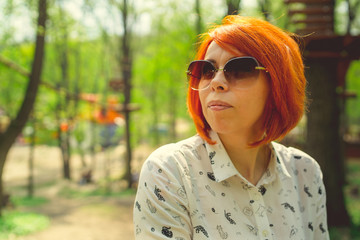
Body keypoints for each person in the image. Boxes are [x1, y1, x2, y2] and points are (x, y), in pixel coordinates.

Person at [133, 15, 329, 240]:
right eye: (206, 70)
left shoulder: (305, 173)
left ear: (278, 85)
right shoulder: (169, 172)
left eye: (240, 68)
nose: (216, 81)